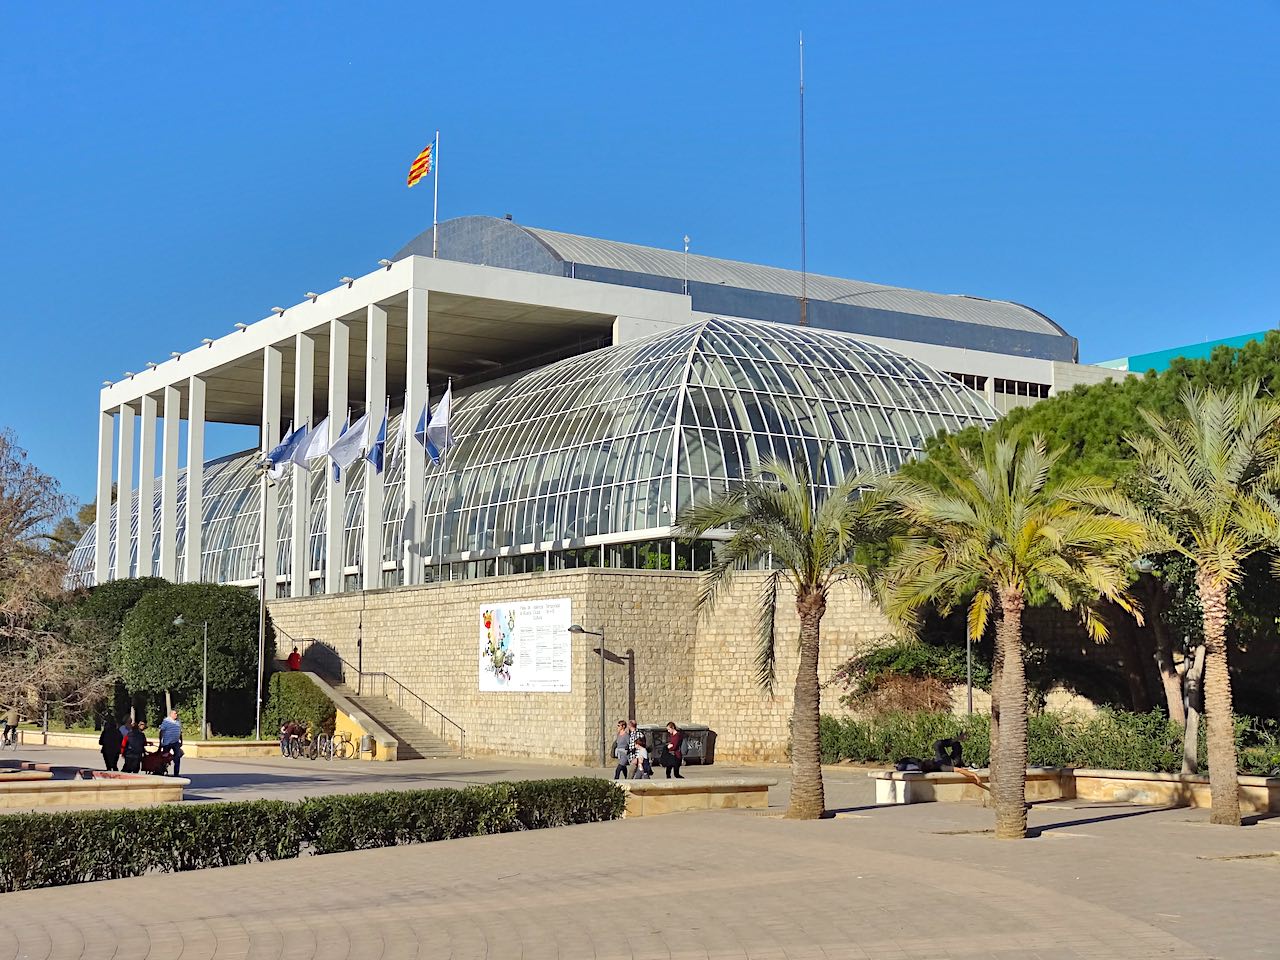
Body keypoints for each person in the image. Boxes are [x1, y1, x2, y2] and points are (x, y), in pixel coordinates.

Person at [159, 709, 183, 777]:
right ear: (171, 714)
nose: (176, 715)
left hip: (176, 742)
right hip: (167, 743)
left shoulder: (178, 722)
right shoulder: (166, 721)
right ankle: (162, 771)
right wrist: (160, 741)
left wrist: (181, 741)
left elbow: (180, 732)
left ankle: (176, 773)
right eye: (175, 713)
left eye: (177, 714)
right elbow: (161, 731)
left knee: (177, 758)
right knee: (165, 758)